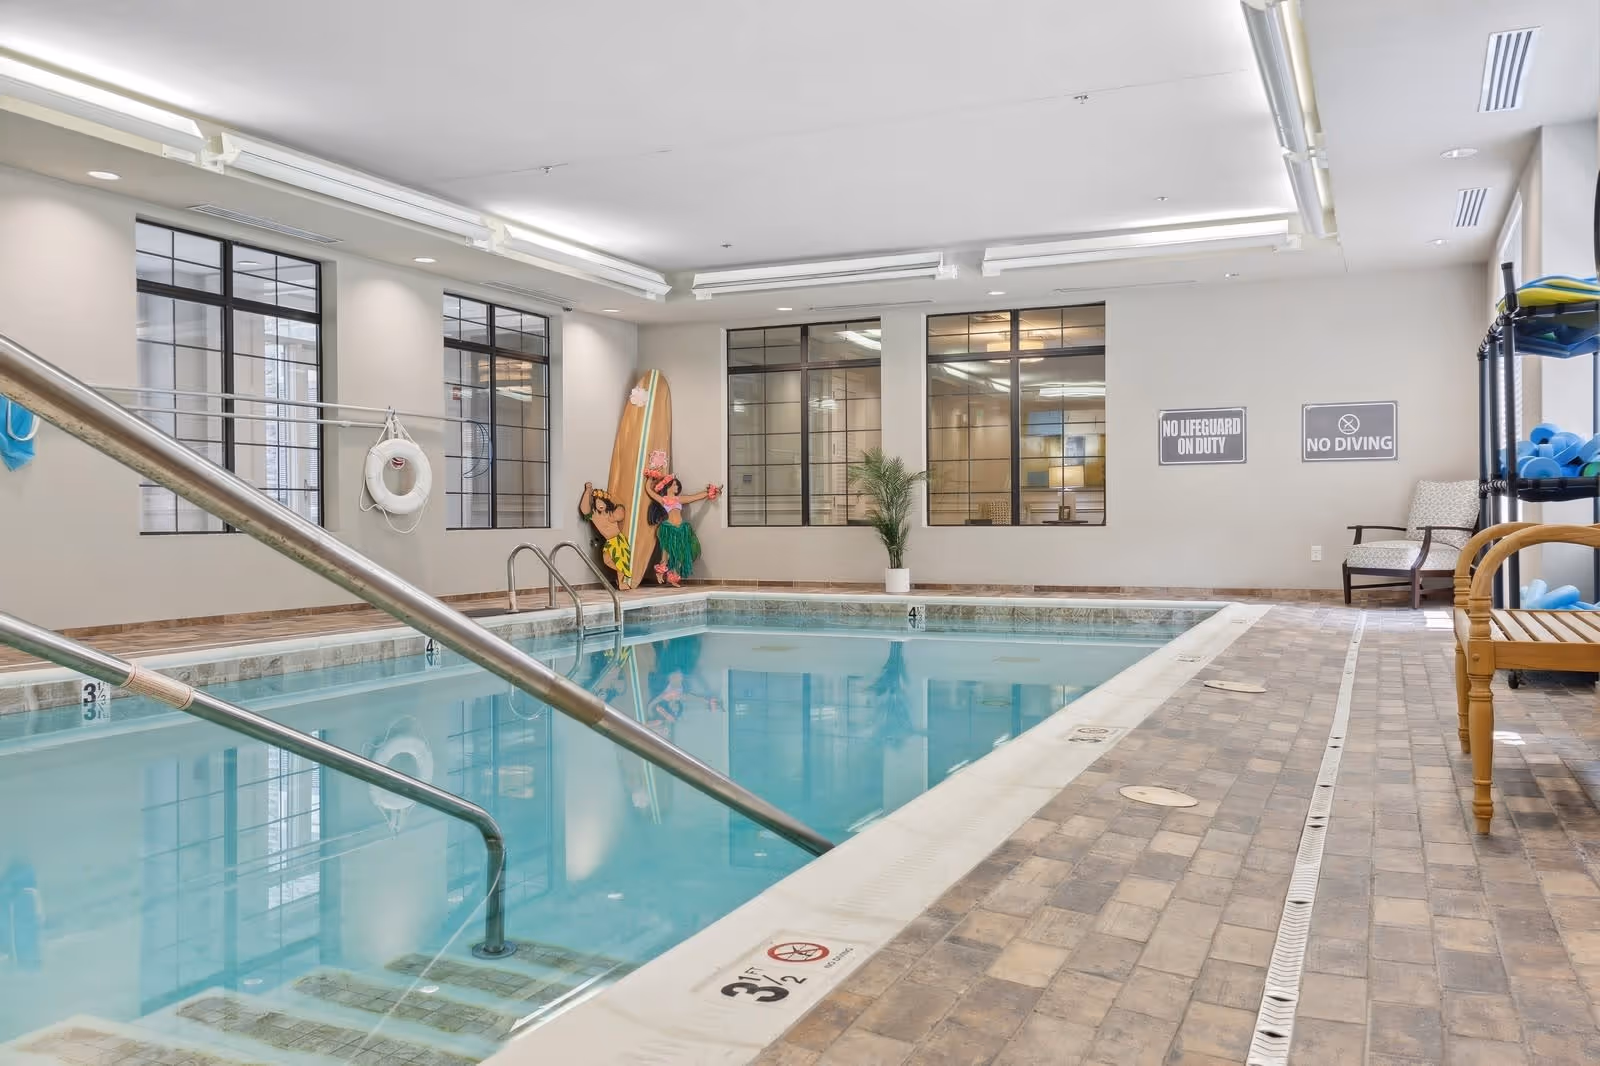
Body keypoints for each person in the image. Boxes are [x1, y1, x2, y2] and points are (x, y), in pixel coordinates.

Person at [645, 474, 721, 586]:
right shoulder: (663, 500)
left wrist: (710, 492)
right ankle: (660, 573)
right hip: (668, 529)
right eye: (675, 485)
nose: (677, 487)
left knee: (679, 554)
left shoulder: (679, 499)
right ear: (668, 486)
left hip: (681, 529)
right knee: (666, 554)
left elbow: (695, 497)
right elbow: (649, 491)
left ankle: (673, 577)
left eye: (677, 485)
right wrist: (650, 477)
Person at [578, 482, 632, 588]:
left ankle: (621, 583)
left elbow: (621, 511)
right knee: (607, 560)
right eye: (597, 502)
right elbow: (584, 509)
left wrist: (616, 516)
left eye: (602, 502)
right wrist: (587, 491)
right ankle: (621, 574)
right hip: (609, 541)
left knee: (620, 561)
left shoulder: (611, 512)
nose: (600, 504)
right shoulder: (594, 515)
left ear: (606, 502)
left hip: (618, 540)